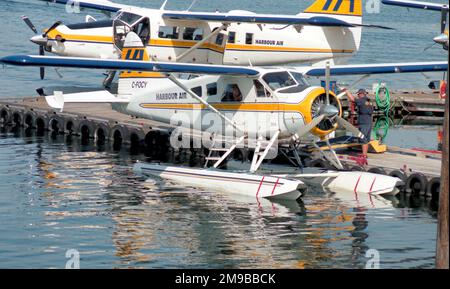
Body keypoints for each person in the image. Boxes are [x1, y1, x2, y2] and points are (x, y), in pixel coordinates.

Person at [344, 88, 374, 161]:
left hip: (364, 122)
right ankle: (364, 154)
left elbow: (353, 99)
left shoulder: (362, 100)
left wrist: (347, 92)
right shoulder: (369, 101)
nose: (358, 96)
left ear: (361, 94)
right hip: (369, 122)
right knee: (366, 139)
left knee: (362, 138)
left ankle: (364, 155)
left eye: (358, 94)